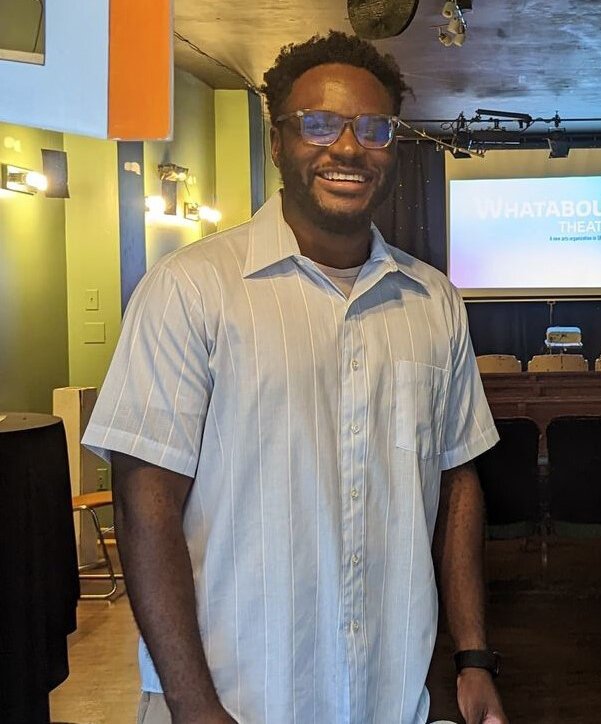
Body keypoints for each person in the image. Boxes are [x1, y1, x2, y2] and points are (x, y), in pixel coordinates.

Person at [84, 31, 507, 724]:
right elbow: (145, 508)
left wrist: (472, 655)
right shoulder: (191, 290)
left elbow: (455, 481)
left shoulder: (432, 301)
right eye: (318, 124)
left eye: (372, 128)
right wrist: (194, 706)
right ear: (277, 142)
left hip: (390, 693)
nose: (347, 148)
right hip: (241, 694)